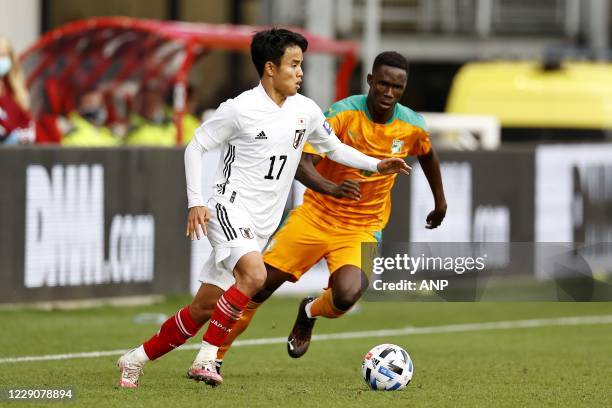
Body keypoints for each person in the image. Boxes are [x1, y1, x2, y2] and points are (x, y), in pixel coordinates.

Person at [116, 29, 409, 388]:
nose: (300, 72)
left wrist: (378, 165)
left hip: (260, 225)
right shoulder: (240, 109)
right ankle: (206, 359)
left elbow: (333, 149)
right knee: (254, 278)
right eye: (294, 64)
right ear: (270, 68)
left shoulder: (305, 110)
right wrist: (196, 201)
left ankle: (134, 359)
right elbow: (195, 147)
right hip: (228, 209)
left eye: (302, 64)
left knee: (203, 308)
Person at [214, 51, 447, 365]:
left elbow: (428, 154)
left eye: (397, 87)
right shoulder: (341, 115)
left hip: (362, 227)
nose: (388, 93)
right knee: (257, 287)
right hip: (315, 217)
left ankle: (309, 311)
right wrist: (332, 188)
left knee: (346, 296)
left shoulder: (411, 125)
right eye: (382, 84)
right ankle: (213, 356)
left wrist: (440, 201)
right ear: (370, 81)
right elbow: (302, 163)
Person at [0, 36, 35, 145]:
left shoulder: (16, 92)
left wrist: (15, 136)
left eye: (4, 55)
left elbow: (28, 126)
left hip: (17, 156)